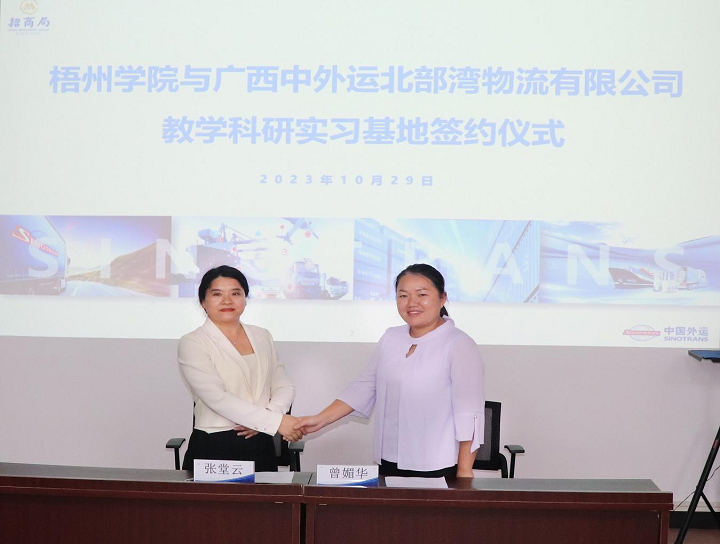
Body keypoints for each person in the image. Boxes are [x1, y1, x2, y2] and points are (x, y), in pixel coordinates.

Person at [295, 263, 485, 478]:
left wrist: (464, 471)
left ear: (443, 298)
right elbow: (364, 387)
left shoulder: (459, 344)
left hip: (436, 465)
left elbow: (469, 413)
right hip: (389, 459)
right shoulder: (391, 337)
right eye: (403, 295)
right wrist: (319, 419)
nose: (412, 303)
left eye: (422, 294)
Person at [178, 265, 302, 472]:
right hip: (215, 444)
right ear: (203, 301)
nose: (227, 301)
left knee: (265, 495)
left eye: (235, 293)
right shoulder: (193, 342)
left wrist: (268, 416)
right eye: (217, 294)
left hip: (260, 439)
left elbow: (283, 385)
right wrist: (273, 422)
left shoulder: (262, 335)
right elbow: (217, 397)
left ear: (245, 298)